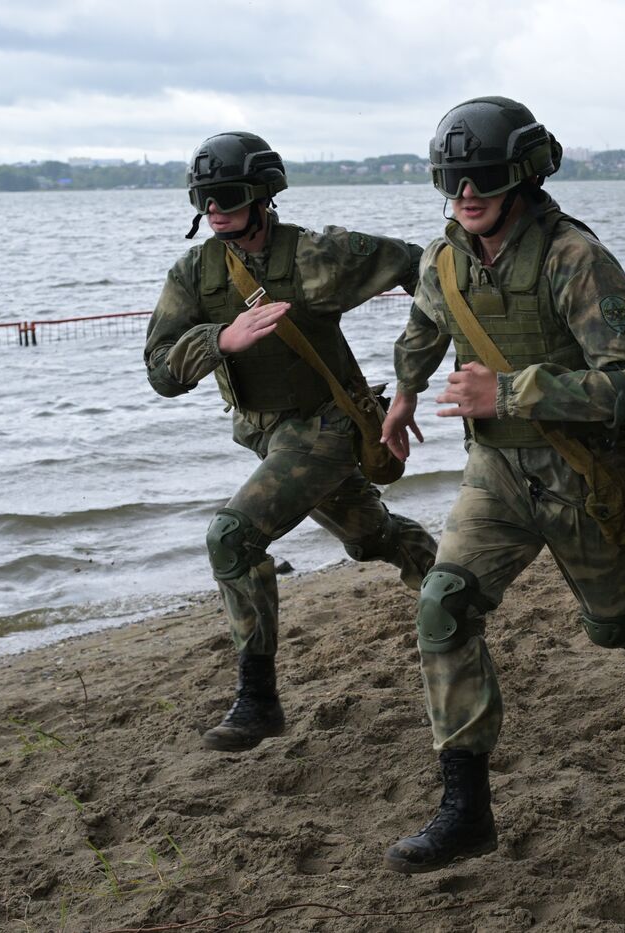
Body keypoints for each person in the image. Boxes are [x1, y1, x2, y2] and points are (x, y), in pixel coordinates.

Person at [379, 96, 625, 872]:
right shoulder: (443, 258)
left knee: (614, 626)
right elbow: (425, 327)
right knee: (443, 602)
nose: (465, 193)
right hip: (494, 473)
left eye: (481, 176)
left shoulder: (572, 258)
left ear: (522, 174)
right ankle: (466, 809)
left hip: (583, 477)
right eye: (451, 178)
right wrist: (402, 394)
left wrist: (514, 392)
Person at [144, 131, 437, 752]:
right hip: (268, 437)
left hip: (328, 428)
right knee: (369, 538)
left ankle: (258, 700)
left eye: (225, 195)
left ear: (261, 195)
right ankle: (447, 587)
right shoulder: (194, 273)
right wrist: (219, 342)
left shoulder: (314, 256)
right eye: (203, 198)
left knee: (232, 536)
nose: (213, 209)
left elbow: (423, 266)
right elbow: (159, 371)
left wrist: (423, 363)